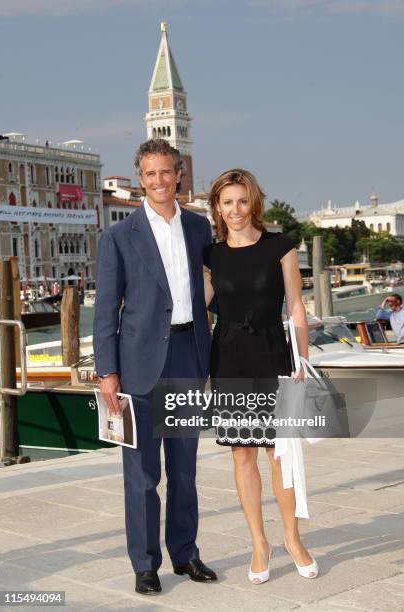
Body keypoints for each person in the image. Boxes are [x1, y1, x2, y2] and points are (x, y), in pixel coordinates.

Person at [93, 139, 217, 595]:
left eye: (166, 172)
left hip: (188, 356)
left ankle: (185, 554)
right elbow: (105, 310)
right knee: (142, 474)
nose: (159, 181)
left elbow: (217, 290)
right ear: (141, 178)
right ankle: (145, 564)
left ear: (179, 173)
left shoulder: (200, 228)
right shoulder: (118, 237)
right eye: (150, 174)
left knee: (185, 469)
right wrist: (108, 372)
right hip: (137, 366)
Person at [203, 168, 318, 585]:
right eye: (227, 202)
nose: (235, 210)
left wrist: (301, 359)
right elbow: (198, 307)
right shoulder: (210, 255)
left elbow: (295, 306)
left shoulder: (279, 246)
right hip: (230, 358)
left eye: (242, 201)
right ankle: (259, 543)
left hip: (273, 355)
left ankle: (292, 539)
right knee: (242, 454)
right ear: (217, 207)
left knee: (280, 453)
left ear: (254, 203)